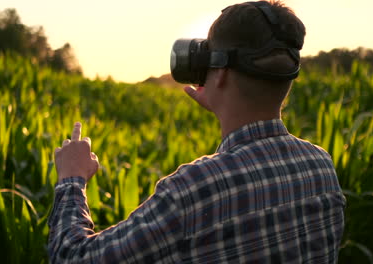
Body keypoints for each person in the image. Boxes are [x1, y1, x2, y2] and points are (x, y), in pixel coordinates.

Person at [48, 1, 346, 263]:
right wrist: (222, 97)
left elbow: (73, 258)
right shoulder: (320, 166)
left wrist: (72, 179)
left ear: (221, 70)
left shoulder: (194, 189)